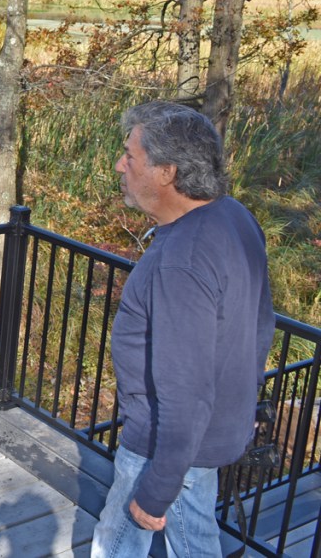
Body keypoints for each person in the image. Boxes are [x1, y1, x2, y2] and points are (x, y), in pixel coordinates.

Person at [91, 101, 275, 557]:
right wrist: (247, 400)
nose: (120, 164)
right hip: (207, 437)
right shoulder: (233, 216)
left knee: (116, 543)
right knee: (194, 543)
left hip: (164, 445)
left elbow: (184, 390)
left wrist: (157, 487)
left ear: (166, 172)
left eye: (130, 155)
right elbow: (259, 326)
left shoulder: (182, 260)